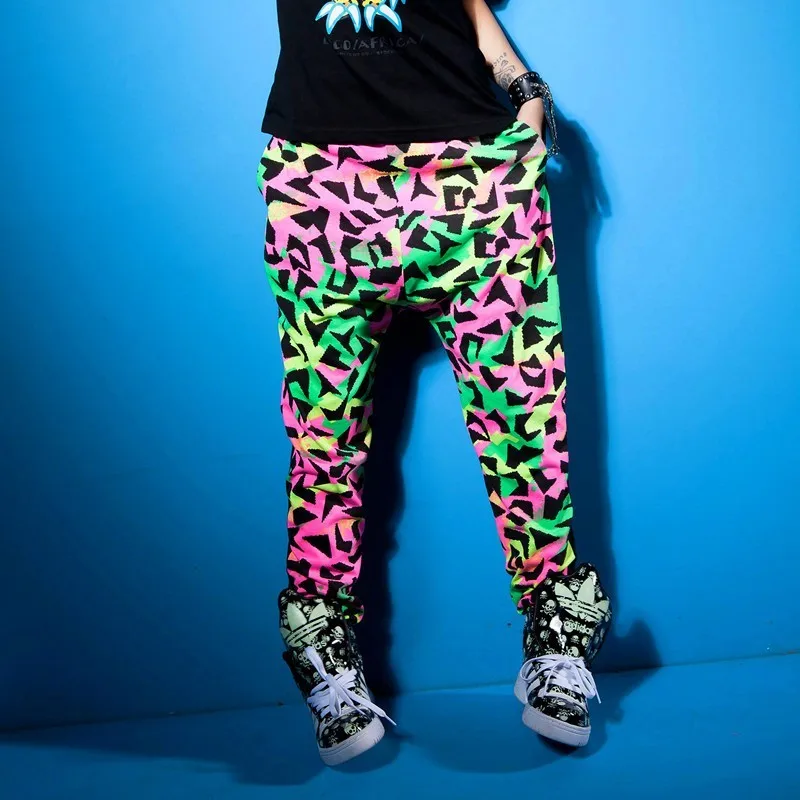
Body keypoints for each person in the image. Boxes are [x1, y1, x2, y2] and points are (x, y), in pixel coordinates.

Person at [255, 0, 612, 766]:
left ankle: (558, 638)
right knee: (323, 435)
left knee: (525, 422)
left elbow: (466, 7)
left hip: (473, 177)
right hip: (324, 183)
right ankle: (324, 652)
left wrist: (526, 89)